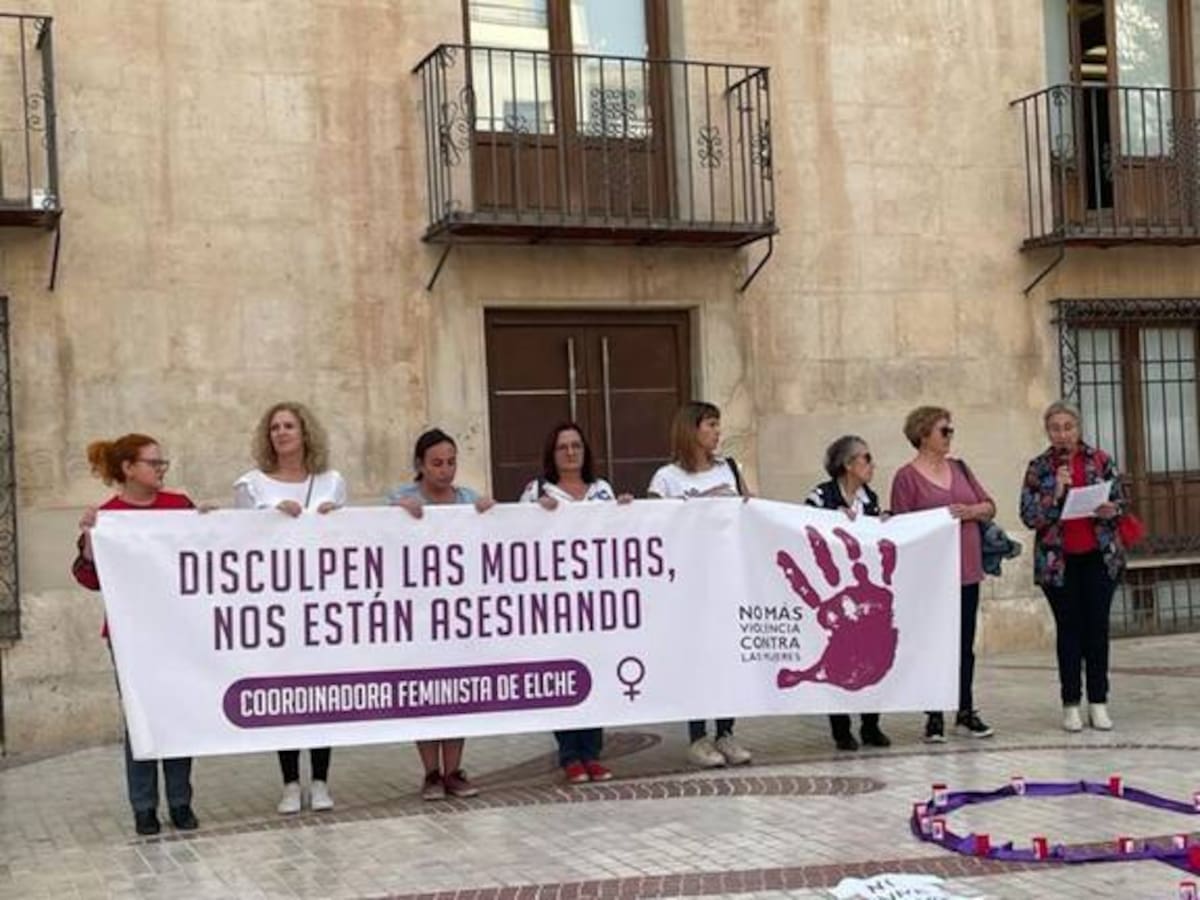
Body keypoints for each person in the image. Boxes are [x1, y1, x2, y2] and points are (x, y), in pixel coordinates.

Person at [71, 433, 200, 836]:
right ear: (128, 468)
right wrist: (91, 543)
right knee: (139, 718)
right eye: (153, 463)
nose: (161, 470)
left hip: (177, 629)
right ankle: (144, 806)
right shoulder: (107, 516)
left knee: (178, 713)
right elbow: (89, 578)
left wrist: (212, 521)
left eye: (162, 464)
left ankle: (180, 802)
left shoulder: (179, 506)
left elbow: (203, 555)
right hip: (130, 635)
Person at [234, 401, 346, 815]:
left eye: (289, 426)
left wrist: (337, 520)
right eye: (275, 427)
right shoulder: (251, 484)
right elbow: (240, 541)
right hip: (276, 606)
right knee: (282, 693)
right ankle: (288, 781)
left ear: (305, 433)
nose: (281, 433)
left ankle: (320, 780)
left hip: (321, 606)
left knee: (320, 693)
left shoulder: (332, 482)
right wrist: (270, 518)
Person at [520, 421, 632, 783]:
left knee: (596, 674)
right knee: (565, 677)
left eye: (576, 446)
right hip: (556, 603)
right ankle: (569, 754)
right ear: (552, 455)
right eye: (563, 447)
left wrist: (628, 512)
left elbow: (618, 535)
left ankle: (592, 752)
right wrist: (534, 513)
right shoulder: (537, 491)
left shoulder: (602, 491)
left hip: (597, 603)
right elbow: (516, 536)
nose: (570, 453)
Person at [388, 428, 494, 800]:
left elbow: (492, 534)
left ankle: (454, 769)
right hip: (417, 614)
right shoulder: (401, 498)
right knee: (424, 691)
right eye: (437, 463)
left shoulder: (466, 498)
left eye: (451, 463)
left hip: (458, 613)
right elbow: (380, 537)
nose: (445, 470)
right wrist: (399, 514)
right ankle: (430, 772)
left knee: (458, 689)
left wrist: (487, 512)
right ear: (420, 465)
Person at [647, 401, 753, 768]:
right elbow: (655, 527)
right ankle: (697, 736)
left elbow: (750, 512)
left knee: (727, 654)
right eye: (710, 424)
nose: (717, 431)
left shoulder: (730, 470)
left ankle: (726, 732)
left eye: (718, 424)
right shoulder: (666, 478)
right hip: (689, 582)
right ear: (692, 429)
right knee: (697, 657)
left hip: (727, 575)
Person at [890, 406, 996, 743]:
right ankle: (933, 714)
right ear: (923, 435)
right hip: (931, 577)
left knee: (965, 645)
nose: (950, 436)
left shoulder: (960, 467)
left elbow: (989, 505)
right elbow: (901, 527)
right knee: (933, 645)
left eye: (951, 430)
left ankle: (965, 710)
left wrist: (971, 511)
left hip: (966, 569)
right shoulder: (906, 477)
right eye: (944, 431)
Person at [1019, 400, 1125, 732]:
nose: (1062, 434)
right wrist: (1057, 492)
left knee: (1097, 628)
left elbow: (1122, 500)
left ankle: (1099, 701)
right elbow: (1029, 515)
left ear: (1078, 428)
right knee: (1069, 631)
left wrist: (1112, 509)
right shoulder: (1039, 468)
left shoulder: (1100, 460)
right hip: (1058, 562)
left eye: (1068, 427)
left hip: (1098, 556)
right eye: (1055, 428)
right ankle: (1070, 704)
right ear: (1047, 431)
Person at [803, 435, 891, 751]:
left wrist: (881, 524)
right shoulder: (820, 496)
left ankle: (871, 724)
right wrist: (835, 521)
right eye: (866, 458)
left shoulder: (870, 499)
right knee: (839, 654)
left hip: (864, 591)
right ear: (848, 464)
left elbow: (875, 539)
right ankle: (841, 728)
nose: (872, 465)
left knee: (872, 653)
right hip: (833, 590)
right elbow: (805, 530)